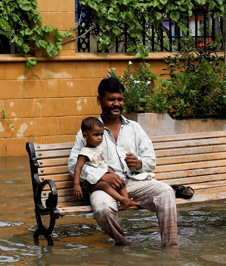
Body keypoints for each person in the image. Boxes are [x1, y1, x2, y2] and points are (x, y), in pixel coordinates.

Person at [67, 77, 178, 247]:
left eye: (120, 99)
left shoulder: (134, 128)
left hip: (135, 182)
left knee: (166, 192)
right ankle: (123, 242)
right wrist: (103, 176)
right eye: (111, 99)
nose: (116, 104)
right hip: (105, 188)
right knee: (102, 209)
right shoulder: (88, 131)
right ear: (99, 100)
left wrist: (139, 163)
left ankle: (170, 249)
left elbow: (150, 160)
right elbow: (74, 164)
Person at [72, 117, 140, 209]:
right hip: (91, 183)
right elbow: (78, 168)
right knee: (105, 185)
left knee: (120, 181)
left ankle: (127, 200)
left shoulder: (98, 149)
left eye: (101, 134)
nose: (100, 138)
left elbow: (102, 164)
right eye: (96, 135)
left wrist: (113, 174)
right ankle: (121, 199)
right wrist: (76, 184)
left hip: (103, 178)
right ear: (85, 136)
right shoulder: (84, 152)